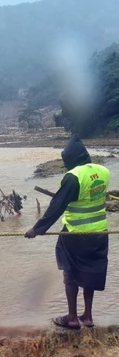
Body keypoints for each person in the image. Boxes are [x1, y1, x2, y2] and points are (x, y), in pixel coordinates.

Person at [25, 135, 111, 330]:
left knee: (70, 272)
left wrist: (37, 229)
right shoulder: (104, 171)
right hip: (100, 234)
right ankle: (87, 317)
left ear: (70, 160)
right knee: (91, 272)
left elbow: (57, 206)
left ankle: (72, 318)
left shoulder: (74, 177)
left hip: (76, 234)